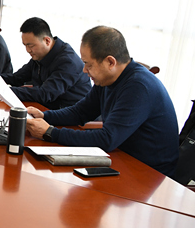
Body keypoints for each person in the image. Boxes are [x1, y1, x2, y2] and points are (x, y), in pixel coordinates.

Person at [25, 25, 178, 175]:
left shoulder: (139, 86)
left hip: (149, 173)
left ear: (110, 62)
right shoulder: (107, 79)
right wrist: (45, 116)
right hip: (121, 157)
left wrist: (50, 132)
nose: (84, 70)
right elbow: (80, 112)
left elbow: (107, 139)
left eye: (88, 64)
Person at [0, 17, 91, 109]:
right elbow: (17, 78)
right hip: (44, 109)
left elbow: (45, 94)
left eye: (30, 45)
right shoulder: (40, 55)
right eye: (25, 45)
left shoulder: (68, 62)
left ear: (47, 41)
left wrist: (1, 91)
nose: (28, 50)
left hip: (69, 118)